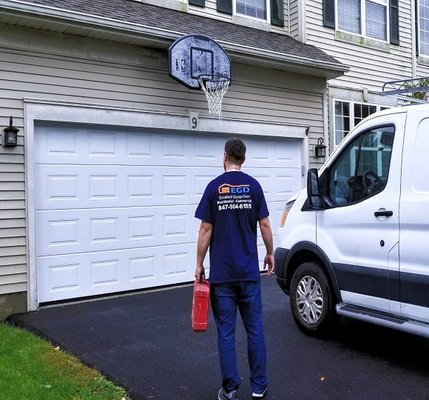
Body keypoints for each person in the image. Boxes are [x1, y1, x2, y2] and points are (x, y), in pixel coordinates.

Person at [195, 137, 275, 400]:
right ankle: (259, 386)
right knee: (255, 330)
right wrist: (270, 253)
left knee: (226, 333)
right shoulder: (253, 187)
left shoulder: (214, 188)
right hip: (249, 274)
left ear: (225, 156)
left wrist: (199, 265)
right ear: (243, 158)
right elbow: (264, 224)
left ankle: (230, 389)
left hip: (223, 276)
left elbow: (206, 229)